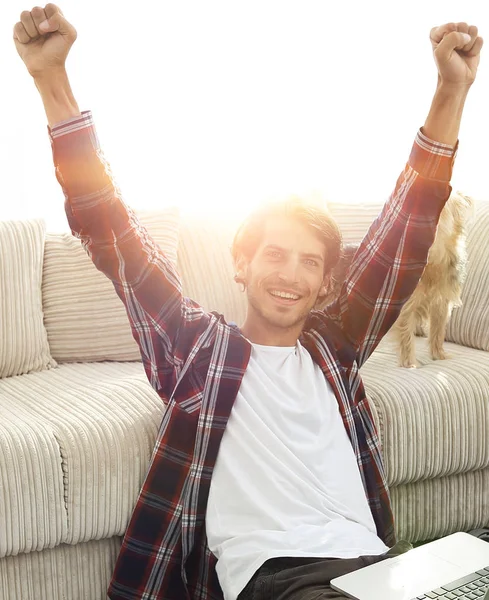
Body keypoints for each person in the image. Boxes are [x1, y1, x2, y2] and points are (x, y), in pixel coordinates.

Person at [13, 5, 483, 600]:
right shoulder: (197, 350)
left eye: (310, 262)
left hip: (376, 570)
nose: (291, 275)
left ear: (326, 284)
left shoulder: (334, 348)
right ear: (241, 263)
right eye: (275, 255)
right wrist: (51, 79)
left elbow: (406, 229)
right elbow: (113, 232)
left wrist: (452, 87)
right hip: (282, 577)